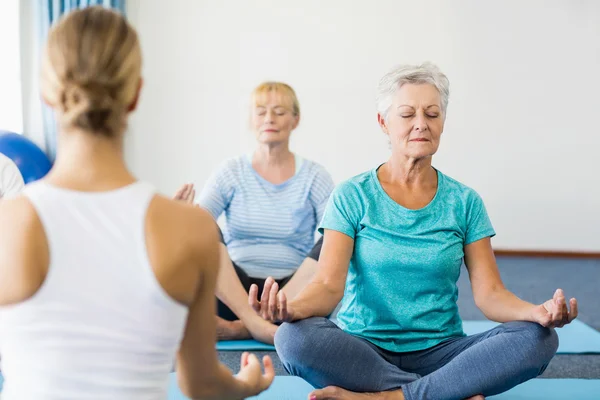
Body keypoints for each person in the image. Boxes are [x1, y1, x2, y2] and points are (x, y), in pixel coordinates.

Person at [0, 7, 273, 399]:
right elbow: (200, 384)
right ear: (135, 94)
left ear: (46, 92)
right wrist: (248, 384)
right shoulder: (190, 228)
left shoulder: (9, 224)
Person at [265, 62, 578, 400]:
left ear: (443, 122)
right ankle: (441, 392)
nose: (421, 125)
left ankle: (390, 396)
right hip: (363, 352)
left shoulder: (464, 201)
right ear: (383, 123)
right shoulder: (352, 195)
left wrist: (536, 313)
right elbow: (328, 285)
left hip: (443, 354)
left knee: (538, 338)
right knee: (291, 338)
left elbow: (490, 295)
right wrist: (292, 309)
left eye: (432, 114)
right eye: (407, 114)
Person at [175, 82, 335, 342]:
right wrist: (183, 218)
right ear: (251, 120)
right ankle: (256, 323)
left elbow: (336, 238)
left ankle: (241, 328)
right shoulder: (231, 171)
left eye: (280, 111)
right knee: (201, 224)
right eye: (261, 111)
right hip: (234, 292)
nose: (269, 118)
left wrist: (282, 301)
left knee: (336, 235)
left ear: (295, 120)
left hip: (291, 294)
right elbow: (198, 226)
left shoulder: (315, 176)